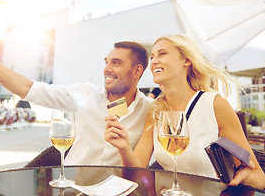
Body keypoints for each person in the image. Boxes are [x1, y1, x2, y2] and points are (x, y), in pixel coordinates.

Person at [0, 8, 151, 166]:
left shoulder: (151, 111)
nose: (106, 69)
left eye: (116, 63)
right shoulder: (84, 95)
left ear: (137, 71)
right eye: (106, 62)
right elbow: (25, 87)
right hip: (72, 188)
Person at [104, 34, 265, 189]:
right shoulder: (156, 108)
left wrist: (245, 176)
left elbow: (260, 179)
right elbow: (137, 169)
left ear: (187, 60)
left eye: (162, 54)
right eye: (152, 56)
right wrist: (124, 147)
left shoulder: (214, 104)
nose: (154, 61)